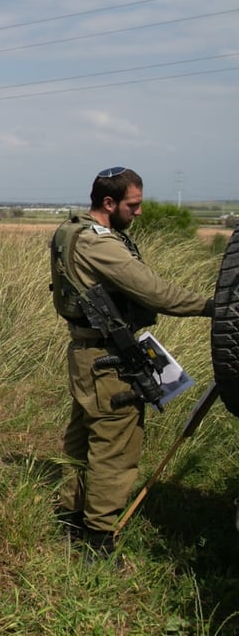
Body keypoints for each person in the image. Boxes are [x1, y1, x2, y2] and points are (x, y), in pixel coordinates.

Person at [49, 166, 213, 553]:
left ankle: (70, 520)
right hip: (108, 360)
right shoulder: (99, 244)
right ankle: (98, 540)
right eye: (132, 205)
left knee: (82, 439)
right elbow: (157, 294)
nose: (138, 212)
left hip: (87, 354)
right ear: (109, 203)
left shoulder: (71, 230)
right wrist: (214, 307)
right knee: (116, 447)